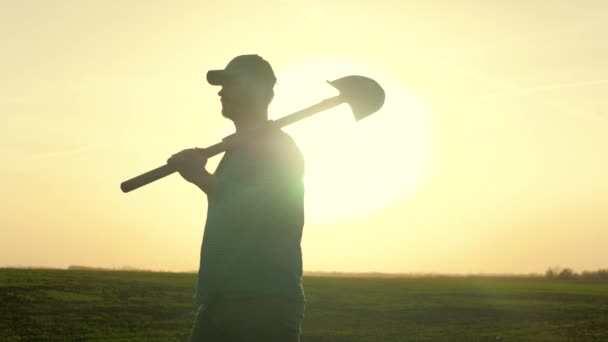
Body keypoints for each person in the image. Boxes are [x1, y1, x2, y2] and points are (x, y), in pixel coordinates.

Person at [167, 54, 306, 341]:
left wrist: (201, 177)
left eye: (229, 83)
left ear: (254, 89)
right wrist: (202, 175)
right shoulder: (237, 150)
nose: (220, 92)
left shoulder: (278, 147)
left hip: (263, 303)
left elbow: (259, 207)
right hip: (221, 299)